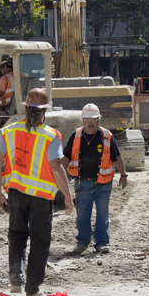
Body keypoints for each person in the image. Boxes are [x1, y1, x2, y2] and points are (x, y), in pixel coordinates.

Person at [0, 88, 74, 296]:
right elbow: (56, 168)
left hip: (16, 194)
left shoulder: (9, 131)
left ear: (26, 109)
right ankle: (32, 290)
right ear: (44, 112)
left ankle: (16, 281)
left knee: (16, 235)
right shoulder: (51, 136)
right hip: (41, 197)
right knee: (39, 242)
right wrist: (67, 196)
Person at [62, 103, 128, 255]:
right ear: (82, 120)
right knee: (82, 215)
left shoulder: (106, 136)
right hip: (83, 183)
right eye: (87, 120)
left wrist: (123, 175)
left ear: (99, 120)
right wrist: (62, 175)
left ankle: (101, 243)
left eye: (93, 120)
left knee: (102, 214)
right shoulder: (76, 135)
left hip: (103, 184)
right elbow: (66, 157)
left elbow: (117, 157)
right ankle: (82, 242)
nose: (90, 123)